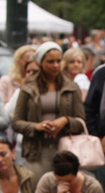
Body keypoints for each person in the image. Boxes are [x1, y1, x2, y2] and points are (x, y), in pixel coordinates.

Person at [12, 41, 85, 182]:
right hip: (37, 151)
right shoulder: (28, 87)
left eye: (58, 61)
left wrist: (65, 121)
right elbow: (16, 122)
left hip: (66, 149)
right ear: (40, 63)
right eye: (50, 61)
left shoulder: (71, 87)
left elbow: (81, 121)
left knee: (65, 191)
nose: (56, 65)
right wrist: (36, 126)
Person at [6, 58, 39, 167]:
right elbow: (9, 115)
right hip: (24, 144)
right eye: (28, 71)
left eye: (35, 71)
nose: (30, 74)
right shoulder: (20, 92)